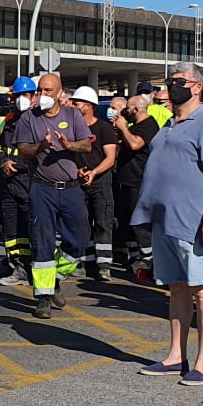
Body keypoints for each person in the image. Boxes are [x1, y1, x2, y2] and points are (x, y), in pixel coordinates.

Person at [129, 63, 203, 386]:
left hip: (193, 221)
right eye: (168, 82)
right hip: (165, 221)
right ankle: (176, 356)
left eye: (177, 82)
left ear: (197, 86)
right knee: (176, 287)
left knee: (202, 290)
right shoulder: (171, 124)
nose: (170, 88)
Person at [3, 72, 93, 316]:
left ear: (59, 92)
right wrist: (41, 147)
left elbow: (87, 144)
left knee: (80, 238)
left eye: (48, 90)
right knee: (42, 240)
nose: (43, 95)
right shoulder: (29, 119)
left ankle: (54, 277)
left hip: (71, 188)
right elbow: (22, 150)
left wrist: (69, 145)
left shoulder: (73, 115)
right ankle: (43, 297)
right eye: (40, 90)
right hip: (42, 188)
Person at [0, 77, 38, 287]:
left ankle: (32, 267)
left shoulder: (39, 120)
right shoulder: (10, 120)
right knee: (10, 229)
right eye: (18, 96)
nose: (22, 100)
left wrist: (16, 165)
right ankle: (17, 266)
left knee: (29, 229)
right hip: (7, 182)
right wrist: (3, 162)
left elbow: (40, 152)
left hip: (28, 181)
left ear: (34, 96)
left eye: (25, 95)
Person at [69, 87, 119, 281]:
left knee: (102, 223)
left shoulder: (103, 128)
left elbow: (110, 157)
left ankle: (104, 266)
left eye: (77, 103)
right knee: (81, 224)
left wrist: (94, 172)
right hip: (78, 183)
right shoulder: (73, 128)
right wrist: (76, 171)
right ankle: (83, 262)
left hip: (101, 183)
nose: (73, 106)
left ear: (88, 106)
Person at [110, 89, 160, 278]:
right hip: (126, 180)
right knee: (126, 221)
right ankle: (135, 257)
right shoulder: (134, 125)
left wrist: (123, 127)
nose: (124, 113)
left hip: (139, 181)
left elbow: (136, 144)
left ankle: (150, 259)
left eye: (127, 109)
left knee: (139, 222)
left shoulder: (148, 125)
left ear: (136, 110)